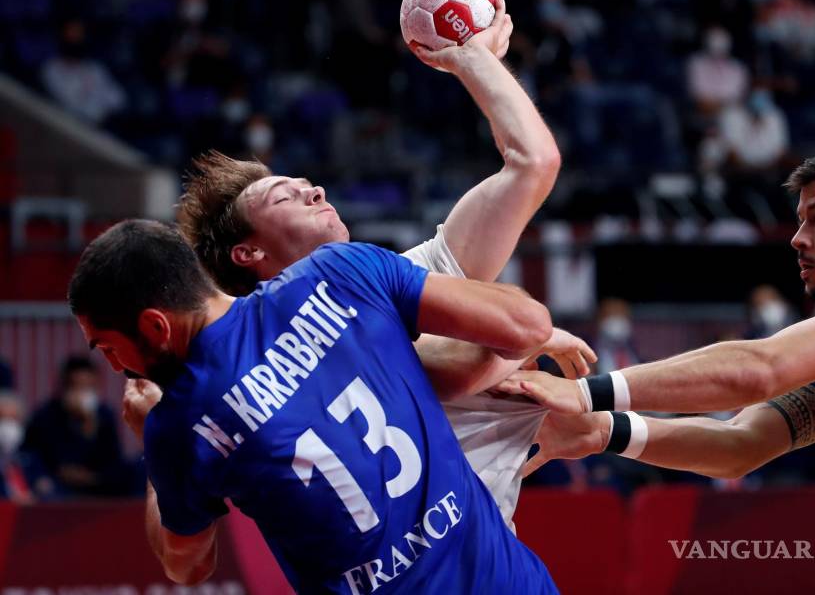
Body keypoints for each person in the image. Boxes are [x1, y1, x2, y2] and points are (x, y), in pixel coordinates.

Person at [175, 0, 596, 528]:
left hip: (488, 559)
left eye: (308, 185)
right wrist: (525, 337)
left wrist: (473, 57)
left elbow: (534, 163)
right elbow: (442, 366)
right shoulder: (269, 366)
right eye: (287, 197)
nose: (315, 191)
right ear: (249, 253)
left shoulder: (406, 277)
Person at [69, 219, 559, 593]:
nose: (115, 367)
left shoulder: (179, 424)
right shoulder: (339, 270)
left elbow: (188, 565)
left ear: (156, 326)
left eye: (108, 347)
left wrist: (153, 451)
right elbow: (526, 327)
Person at [504, 148, 815, 481]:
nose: (798, 239)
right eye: (800, 221)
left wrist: (585, 393)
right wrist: (605, 431)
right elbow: (740, 446)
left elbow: (762, 368)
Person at [22, 356, 130, 496]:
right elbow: (36, 456)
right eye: (76, 386)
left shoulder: (105, 415)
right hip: (57, 486)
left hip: (96, 485)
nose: (82, 393)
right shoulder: (45, 415)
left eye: (88, 387)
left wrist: (90, 426)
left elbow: (113, 458)